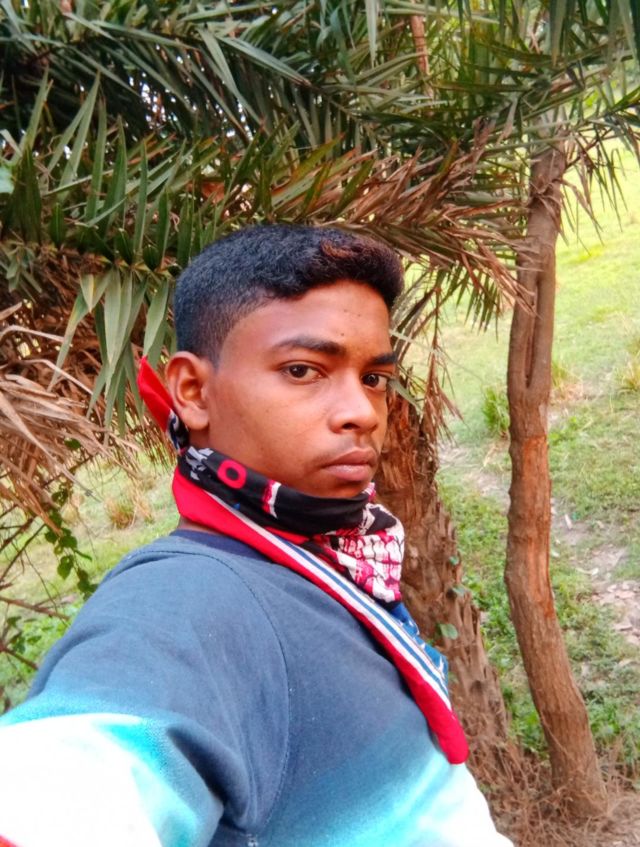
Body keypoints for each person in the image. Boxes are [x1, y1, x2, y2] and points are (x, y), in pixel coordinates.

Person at [0, 225, 512, 847]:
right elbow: (68, 785)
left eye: (374, 378)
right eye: (303, 370)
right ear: (193, 392)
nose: (362, 412)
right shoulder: (186, 601)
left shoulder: (322, 557)